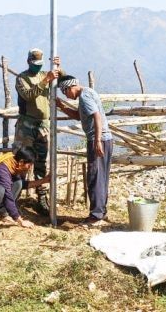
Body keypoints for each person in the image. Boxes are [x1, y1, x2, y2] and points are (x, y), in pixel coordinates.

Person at [55, 75, 112, 227]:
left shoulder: (85, 97)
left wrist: (97, 140)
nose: (67, 96)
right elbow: (79, 116)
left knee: (95, 176)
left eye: (65, 92)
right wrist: (62, 106)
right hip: (105, 139)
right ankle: (101, 211)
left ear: (70, 88)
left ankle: (96, 216)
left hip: (98, 139)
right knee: (101, 176)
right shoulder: (88, 93)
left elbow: (97, 117)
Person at [14, 48, 61, 216]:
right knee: (21, 160)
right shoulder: (22, 78)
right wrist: (45, 80)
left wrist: (58, 68)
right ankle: (13, 197)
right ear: (28, 62)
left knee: (41, 162)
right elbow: (28, 95)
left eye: (40, 65)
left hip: (43, 125)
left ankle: (41, 197)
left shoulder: (45, 75)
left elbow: (64, 82)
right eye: (35, 65)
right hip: (26, 126)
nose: (38, 68)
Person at [0, 146, 50, 235]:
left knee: (18, 183)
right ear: (21, 162)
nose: (29, 168)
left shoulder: (12, 163)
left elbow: (23, 184)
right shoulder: (1, 171)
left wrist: (44, 180)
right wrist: (20, 221)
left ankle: (2, 213)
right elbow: (8, 197)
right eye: (29, 165)